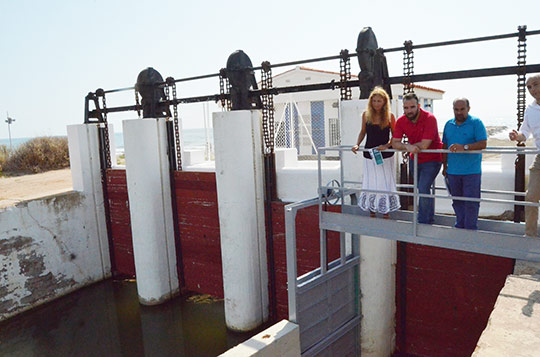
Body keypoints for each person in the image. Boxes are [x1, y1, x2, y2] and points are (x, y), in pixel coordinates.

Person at [392, 92, 442, 224]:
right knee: (421, 188)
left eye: (412, 107)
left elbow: (425, 144)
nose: (409, 110)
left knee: (424, 187)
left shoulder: (430, 118)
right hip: (415, 159)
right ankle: (427, 217)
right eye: (406, 108)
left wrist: (406, 147)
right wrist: (407, 147)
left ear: (418, 106)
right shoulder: (401, 121)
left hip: (432, 159)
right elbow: (395, 143)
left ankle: (424, 221)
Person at [352, 87, 400, 218]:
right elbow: (363, 132)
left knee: (385, 181)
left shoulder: (390, 116)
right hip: (369, 154)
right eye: (374, 101)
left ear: (384, 102)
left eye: (379, 101)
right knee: (370, 181)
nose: (376, 103)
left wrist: (387, 145)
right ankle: (372, 209)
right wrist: (357, 144)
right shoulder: (365, 115)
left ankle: (386, 210)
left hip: (385, 154)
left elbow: (396, 136)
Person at [442, 98, 487, 230]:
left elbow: (482, 143)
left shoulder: (476, 123)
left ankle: (470, 229)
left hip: (471, 172)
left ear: (468, 109)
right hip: (453, 172)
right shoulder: (448, 124)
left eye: (462, 109)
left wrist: (464, 147)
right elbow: (444, 145)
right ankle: (460, 226)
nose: (459, 112)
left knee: (471, 203)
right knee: (457, 202)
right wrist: (444, 166)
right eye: (456, 109)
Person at [510, 74, 540, 238]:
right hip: (539, 159)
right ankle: (530, 235)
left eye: (535, 85)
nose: (532, 90)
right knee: (531, 197)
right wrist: (517, 136)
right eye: (529, 87)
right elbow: (524, 133)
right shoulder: (530, 110)